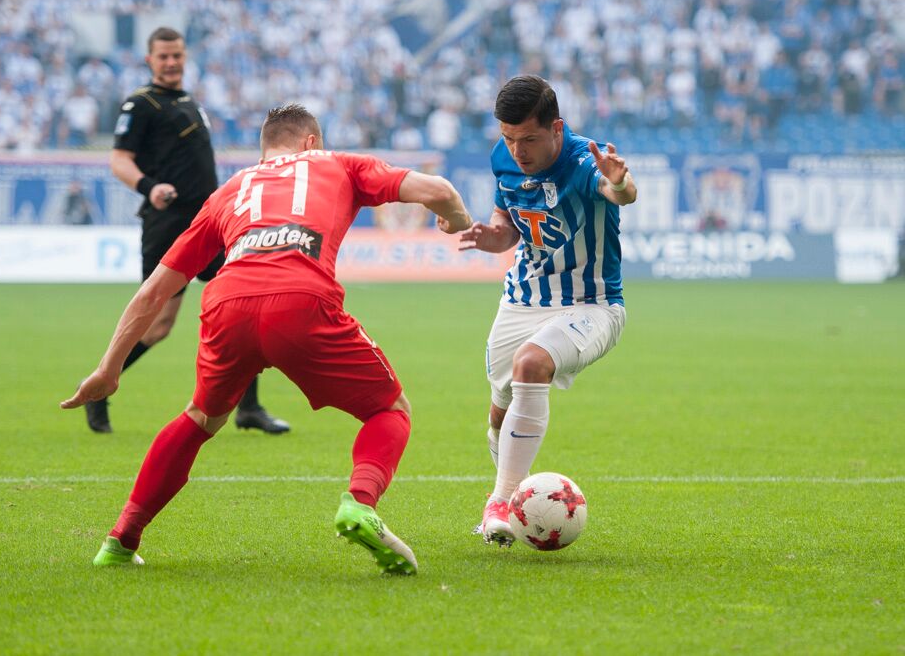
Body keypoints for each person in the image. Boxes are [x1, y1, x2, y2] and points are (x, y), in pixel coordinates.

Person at [61, 103, 472, 575]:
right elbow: (438, 189)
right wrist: (456, 218)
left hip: (225, 304)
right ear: (311, 142)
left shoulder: (230, 191)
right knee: (390, 410)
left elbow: (155, 290)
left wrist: (109, 368)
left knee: (200, 418)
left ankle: (120, 539)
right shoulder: (338, 163)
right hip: (301, 300)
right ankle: (360, 503)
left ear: (265, 148)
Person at [457, 75, 637, 546]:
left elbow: (618, 192)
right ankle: (521, 506)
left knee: (532, 365)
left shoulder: (582, 160)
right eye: (508, 138)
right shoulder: (505, 158)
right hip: (522, 299)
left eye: (529, 139)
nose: (517, 150)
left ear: (556, 128)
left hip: (591, 304)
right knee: (498, 416)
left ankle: (499, 502)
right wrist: (491, 237)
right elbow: (507, 225)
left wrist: (621, 183)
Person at [92, 26, 288, 435]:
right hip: (169, 223)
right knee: (158, 325)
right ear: (150, 60)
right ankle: (98, 386)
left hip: (211, 223)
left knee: (245, 307)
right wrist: (150, 187)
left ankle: (249, 408)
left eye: (177, 55)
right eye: (163, 56)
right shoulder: (140, 104)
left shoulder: (189, 102)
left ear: (185, 57)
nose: (171, 62)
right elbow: (119, 160)